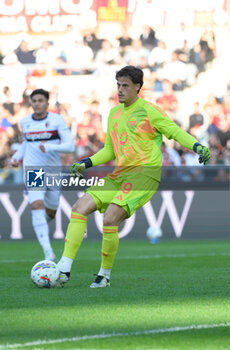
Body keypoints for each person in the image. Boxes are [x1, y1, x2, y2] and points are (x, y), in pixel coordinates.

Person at [57, 66, 210, 288]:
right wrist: (86, 162)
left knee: (109, 218)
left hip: (144, 175)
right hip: (119, 174)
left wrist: (197, 146)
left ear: (138, 87)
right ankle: (63, 268)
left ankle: (104, 275)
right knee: (79, 207)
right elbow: (110, 150)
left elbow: (175, 132)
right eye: (118, 85)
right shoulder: (114, 114)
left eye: (125, 85)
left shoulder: (150, 111)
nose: (120, 90)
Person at [11, 89, 75, 261]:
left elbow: (70, 146)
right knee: (37, 204)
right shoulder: (25, 122)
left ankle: (39, 225)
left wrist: (50, 147)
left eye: (41, 100)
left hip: (53, 170)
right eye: (34, 100)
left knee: (51, 212)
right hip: (34, 170)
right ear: (31, 103)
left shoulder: (57, 120)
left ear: (47, 103)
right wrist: (17, 156)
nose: (37, 103)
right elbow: (27, 142)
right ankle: (48, 252)